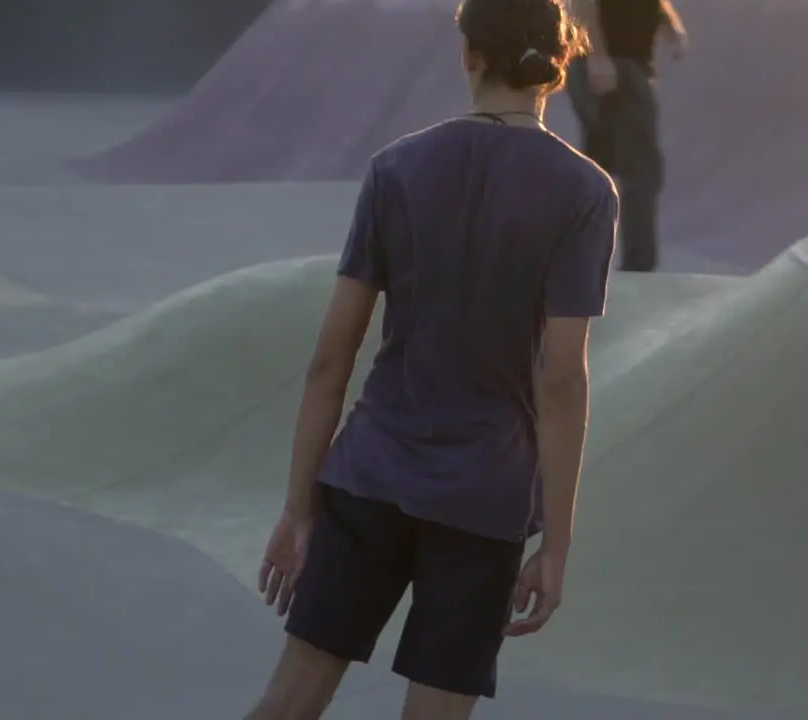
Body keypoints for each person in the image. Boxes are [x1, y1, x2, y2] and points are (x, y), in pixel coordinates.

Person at [243, 0, 617, 717]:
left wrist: (299, 507)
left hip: (368, 479)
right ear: (557, 65)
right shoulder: (583, 192)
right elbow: (562, 380)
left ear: (470, 55)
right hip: (484, 502)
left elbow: (332, 359)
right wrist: (558, 547)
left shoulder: (397, 168)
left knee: (289, 702)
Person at [566, 0, 688, 271]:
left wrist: (672, 28)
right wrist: (597, 55)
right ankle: (638, 270)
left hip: (611, 67)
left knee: (600, 168)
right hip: (615, 67)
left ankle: (576, 262)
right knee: (641, 172)